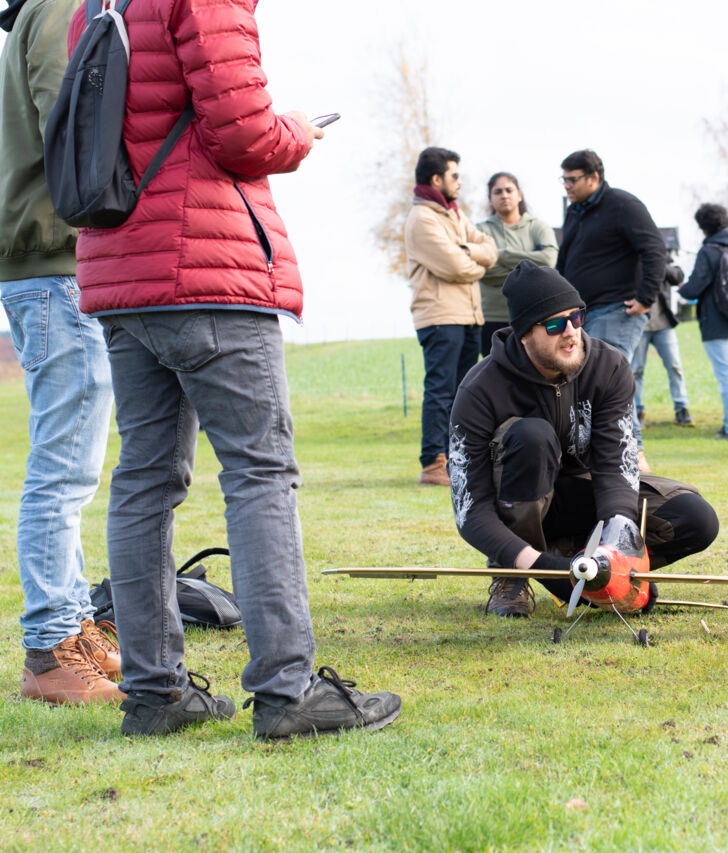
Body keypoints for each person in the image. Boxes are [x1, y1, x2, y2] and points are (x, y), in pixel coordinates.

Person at [73, 0, 399, 737]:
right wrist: (300, 133)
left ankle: (155, 692)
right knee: (259, 472)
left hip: (122, 268)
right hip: (206, 268)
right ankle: (287, 691)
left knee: (144, 482)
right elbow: (244, 132)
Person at [448, 261, 720, 616]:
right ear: (524, 333)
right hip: (517, 504)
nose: (571, 331)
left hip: (583, 493)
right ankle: (512, 575)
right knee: (533, 436)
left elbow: (615, 467)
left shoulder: (609, 367)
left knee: (695, 519)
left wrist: (616, 558)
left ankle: (585, 562)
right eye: (555, 324)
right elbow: (471, 510)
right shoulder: (480, 389)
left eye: (576, 317)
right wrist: (548, 572)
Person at [1, 0, 121, 705]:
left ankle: (71, 625)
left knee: (72, 466)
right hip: (56, 267)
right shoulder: (56, 10)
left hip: (52, 268)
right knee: (64, 469)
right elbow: (73, 122)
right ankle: (48, 651)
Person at [556, 150, 667, 464]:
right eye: (563, 179)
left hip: (618, 309)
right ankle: (600, 457)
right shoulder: (575, 211)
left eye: (572, 179)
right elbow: (564, 260)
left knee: (607, 376)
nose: (566, 186)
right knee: (584, 382)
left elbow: (654, 248)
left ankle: (634, 456)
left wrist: (646, 297)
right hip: (582, 315)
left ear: (594, 177)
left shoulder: (623, 205)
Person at [406, 147, 497, 485]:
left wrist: (467, 251)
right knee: (441, 391)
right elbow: (456, 267)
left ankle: (456, 461)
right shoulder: (422, 219)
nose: (459, 182)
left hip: (468, 315)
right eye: (454, 175)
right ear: (436, 179)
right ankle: (433, 463)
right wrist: (474, 261)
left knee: (463, 392)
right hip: (440, 317)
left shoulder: (454, 215)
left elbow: (489, 248)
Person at [678, 204, 728, 439]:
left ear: (703, 227)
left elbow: (694, 288)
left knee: (726, 376)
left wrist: (681, 287)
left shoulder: (709, 251)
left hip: (715, 322)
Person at [475, 172, 558, 357]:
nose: (504, 195)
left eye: (508, 190)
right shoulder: (480, 231)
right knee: (496, 377)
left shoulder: (538, 227)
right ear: (490, 199)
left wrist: (502, 254)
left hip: (532, 317)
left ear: (519, 195)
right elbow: (481, 270)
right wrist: (528, 269)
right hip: (491, 318)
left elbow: (548, 261)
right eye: (497, 192)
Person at [632, 260, 696, 429]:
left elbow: (678, 276)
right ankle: (637, 410)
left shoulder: (658, 256)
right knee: (636, 370)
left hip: (663, 324)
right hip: (638, 325)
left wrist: (656, 263)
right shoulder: (628, 260)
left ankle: (681, 408)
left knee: (675, 366)